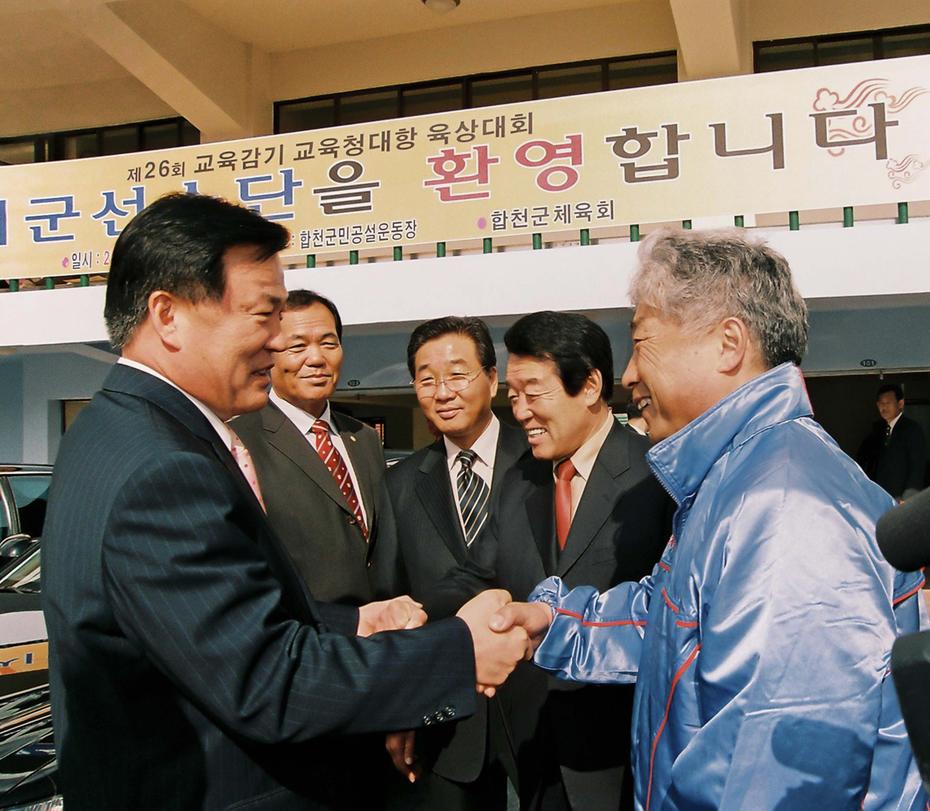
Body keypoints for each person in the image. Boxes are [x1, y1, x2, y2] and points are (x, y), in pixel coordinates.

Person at [40, 192, 528, 810]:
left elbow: (204, 627)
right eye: (263, 315)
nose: (280, 342)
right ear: (168, 314)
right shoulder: (163, 470)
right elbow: (266, 681)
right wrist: (460, 652)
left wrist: (355, 622)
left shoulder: (115, 427)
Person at [493, 230, 930, 810]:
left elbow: (775, 776)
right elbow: (676, 624)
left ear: (728, 344)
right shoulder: (738, 476)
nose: (628, 374)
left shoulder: (783, 508)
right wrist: (557, 624)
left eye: (642, 344)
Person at [426, 311, 674, 811]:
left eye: (533, 393)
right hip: (535, 748)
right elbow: (476, 575)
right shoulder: (520, 480)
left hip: (623, 756)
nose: (519, 412)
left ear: (589, 385)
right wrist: (403, 620)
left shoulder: (656, 476)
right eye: (512, 396)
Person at [384, 316, 528, 810]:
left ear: (492, 378)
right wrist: (399, 706)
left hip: (539, 711)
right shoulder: (399, 484)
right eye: (427, 379)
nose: (443, 391)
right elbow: (394, 599)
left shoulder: (543, 461)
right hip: (445, 722)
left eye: (458, 375)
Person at [232, 289, 402, 605]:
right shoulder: (240, 441)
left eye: (328, 343)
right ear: (270, 353)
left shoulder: (363, 437)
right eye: (297, 346)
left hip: (383, 632)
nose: (316, 359)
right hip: (308, 634)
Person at [856, 382, 927, 500]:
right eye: (881, 404)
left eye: (888, 403)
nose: (884, 407)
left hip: (901, 498)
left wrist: (909, 497)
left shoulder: (911, 429)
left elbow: (917, 466)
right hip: (881, 496)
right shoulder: (878, 431)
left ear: (900, 404)